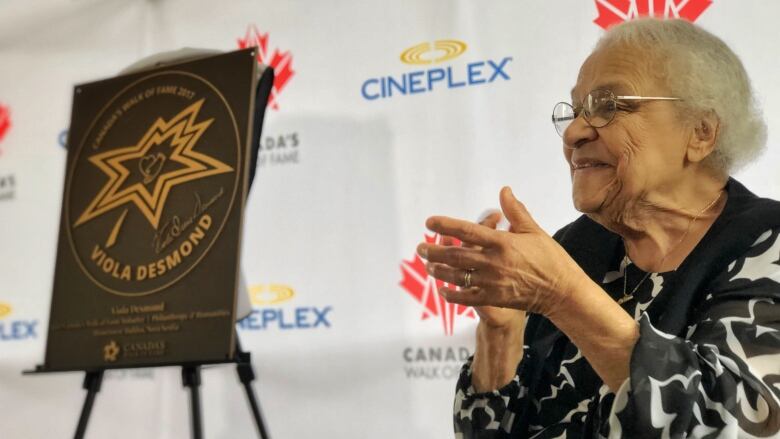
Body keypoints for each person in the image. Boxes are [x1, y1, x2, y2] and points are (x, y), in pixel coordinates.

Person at [417, 18, 780, 438]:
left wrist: (563, 296)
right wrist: (502, 332)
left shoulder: (764, 243)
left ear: (700, 133)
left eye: (608, 105)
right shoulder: (578, 246)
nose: (573, 132)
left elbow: (726, 424)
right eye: (574, 110)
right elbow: (484, 433)